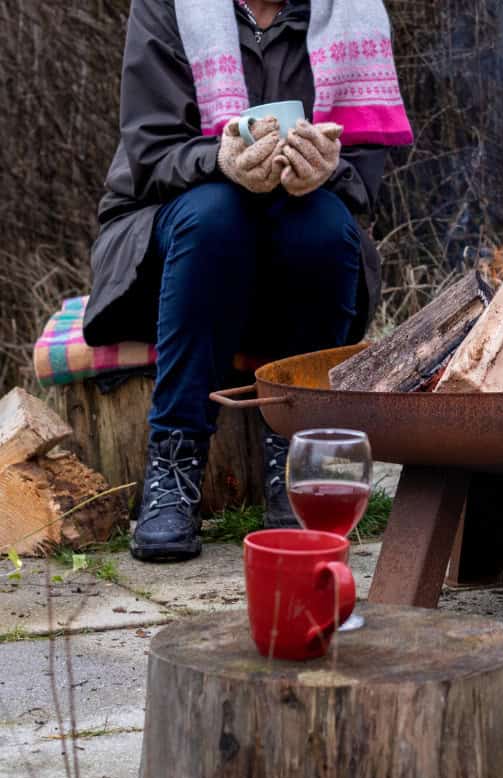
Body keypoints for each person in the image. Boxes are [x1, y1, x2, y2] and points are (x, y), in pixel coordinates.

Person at [85, 0, 412, 561]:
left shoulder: (351, 13)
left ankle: (300, 457)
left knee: (324, 223)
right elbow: (150, 151)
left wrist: (328, 170)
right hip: (175, 252)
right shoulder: (166, 7)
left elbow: (364, 185)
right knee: (218, 212)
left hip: (295, 258)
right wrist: (221, 159)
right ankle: (173, 463)